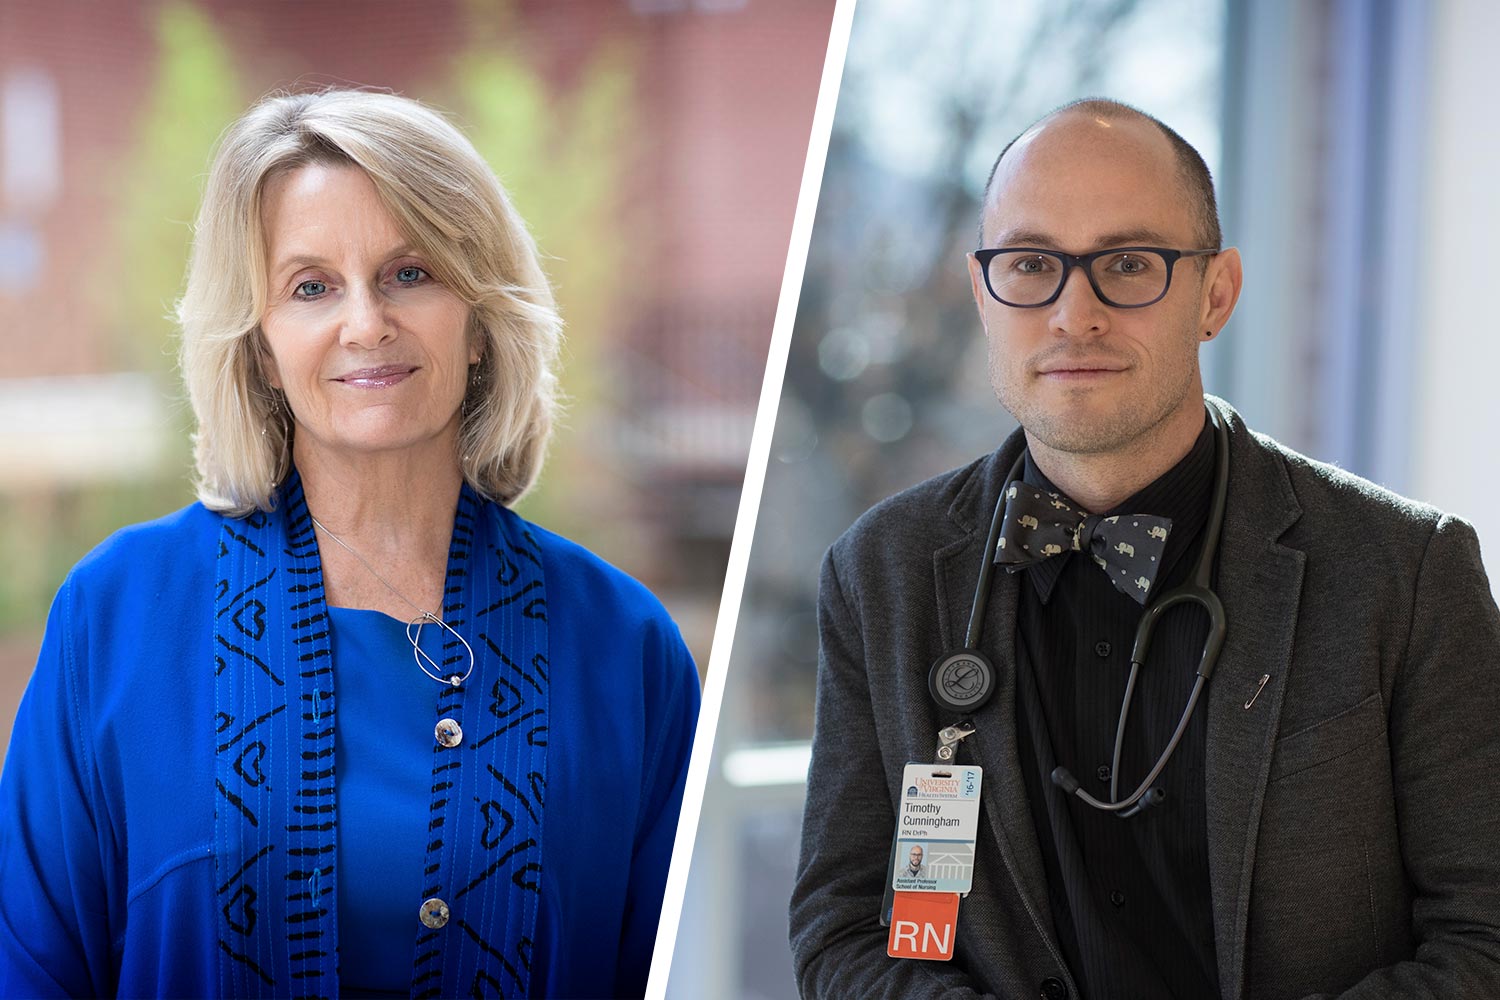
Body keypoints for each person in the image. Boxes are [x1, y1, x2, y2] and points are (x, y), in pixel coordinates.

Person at [789, 98, 1500, 999]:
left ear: (1216, 295)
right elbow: (844, 931)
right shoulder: (878, 574)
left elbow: (1485, 935)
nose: (1072, 314)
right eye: (1031, 264)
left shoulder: (1408, 571)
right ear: (983, 294)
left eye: (1128, 264)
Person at [0, 88, 700, 999]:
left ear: (482, 318)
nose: (365, 322)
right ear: (258, 345)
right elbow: (30, 968)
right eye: (311, 287)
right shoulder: (119, 616)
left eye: (410, 273)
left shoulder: (623, 646)